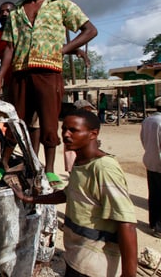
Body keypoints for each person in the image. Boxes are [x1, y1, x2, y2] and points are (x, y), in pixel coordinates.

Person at [0, 0, 98, 188]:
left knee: (49, 124)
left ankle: (49, 170)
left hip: (49, 73)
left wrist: (65, 49)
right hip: (20, 73)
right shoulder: (17, 10)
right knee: (15, 123)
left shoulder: (60, 6)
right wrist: (1, 77)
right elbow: (9, 46)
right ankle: (3, 165)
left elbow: (90, 30)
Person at [10, 109, 137, 277]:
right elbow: (67, 194)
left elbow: (126, 223)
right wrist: (30, 198)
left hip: (94, 263)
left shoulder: (104, 168)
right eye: (64, 129)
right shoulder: (81, 162)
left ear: (93, 134)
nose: (66, 135)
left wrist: (129, 274)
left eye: (73, 130)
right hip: (76, 256)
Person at [140, 96, 161, 238]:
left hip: (150, 161)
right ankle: (159, 228)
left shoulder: (147, 120)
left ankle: (153, 222)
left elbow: (143, 139)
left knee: (153, 194)